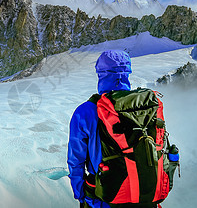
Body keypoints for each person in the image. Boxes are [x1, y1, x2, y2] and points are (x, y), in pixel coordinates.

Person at [67, 50, 159, 208]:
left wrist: (82, 196)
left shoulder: (86, 111)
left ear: (100, 74)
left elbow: (76, 161)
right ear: (127, 73)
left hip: (105, 199)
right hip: (146, 198)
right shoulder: (145, 107)